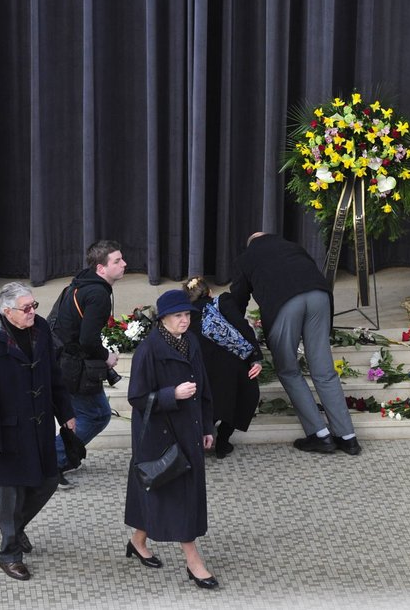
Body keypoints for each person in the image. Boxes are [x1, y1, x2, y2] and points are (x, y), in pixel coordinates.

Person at [0, 282, 76, 581]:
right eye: (26, 308)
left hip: (39, 430)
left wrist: (65, 412)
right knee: (12, 497)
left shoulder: (39, 329)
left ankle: (8, 523)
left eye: (34, 306)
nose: (32, 312)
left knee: (49, 481)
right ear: (7, 311)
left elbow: (54, 376)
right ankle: (10, 555)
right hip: (8, 435)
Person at [230, 231, 361, 455]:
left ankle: (320, 435)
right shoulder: (292, 246)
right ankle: (348, 437)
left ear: (251, 244)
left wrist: (234, 331)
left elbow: (238, 301)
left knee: (289, 370)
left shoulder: (247, 257)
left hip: (285, 304)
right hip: (320, 297)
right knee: (324, 370)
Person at [124, 289, 218, 589]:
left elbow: (203, 389)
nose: (184, 320)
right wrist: (171, 395)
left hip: (189, 431)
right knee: (177, 497)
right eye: (178, 315)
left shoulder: (191, 342)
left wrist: (207, 427)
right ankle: (193, 560)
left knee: (165, 492)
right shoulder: (148, 351)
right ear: (163, 318)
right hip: (159, 437)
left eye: (187, 314)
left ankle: (138, 541)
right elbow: (136, 397)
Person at [52, 239, 126, 488]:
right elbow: (88, 340)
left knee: (83, 415)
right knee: (97, 415)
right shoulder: (98, 294)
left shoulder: (82, 281)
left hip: (62, 359)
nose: (124, 264)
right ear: (101, 268)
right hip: (73, 366)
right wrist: (107, 357)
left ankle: (56, 458)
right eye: (117, 261)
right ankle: (51, 462)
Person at [183, 276, 263, 458]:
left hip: (204, 367)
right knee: (239, 399)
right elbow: (242, 326)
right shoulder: (223, 301)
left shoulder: (186, 313)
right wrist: (255, 358)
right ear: (209, 292)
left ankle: (200, 441)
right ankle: (223, 442)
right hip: (233, 365)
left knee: (212, 403)